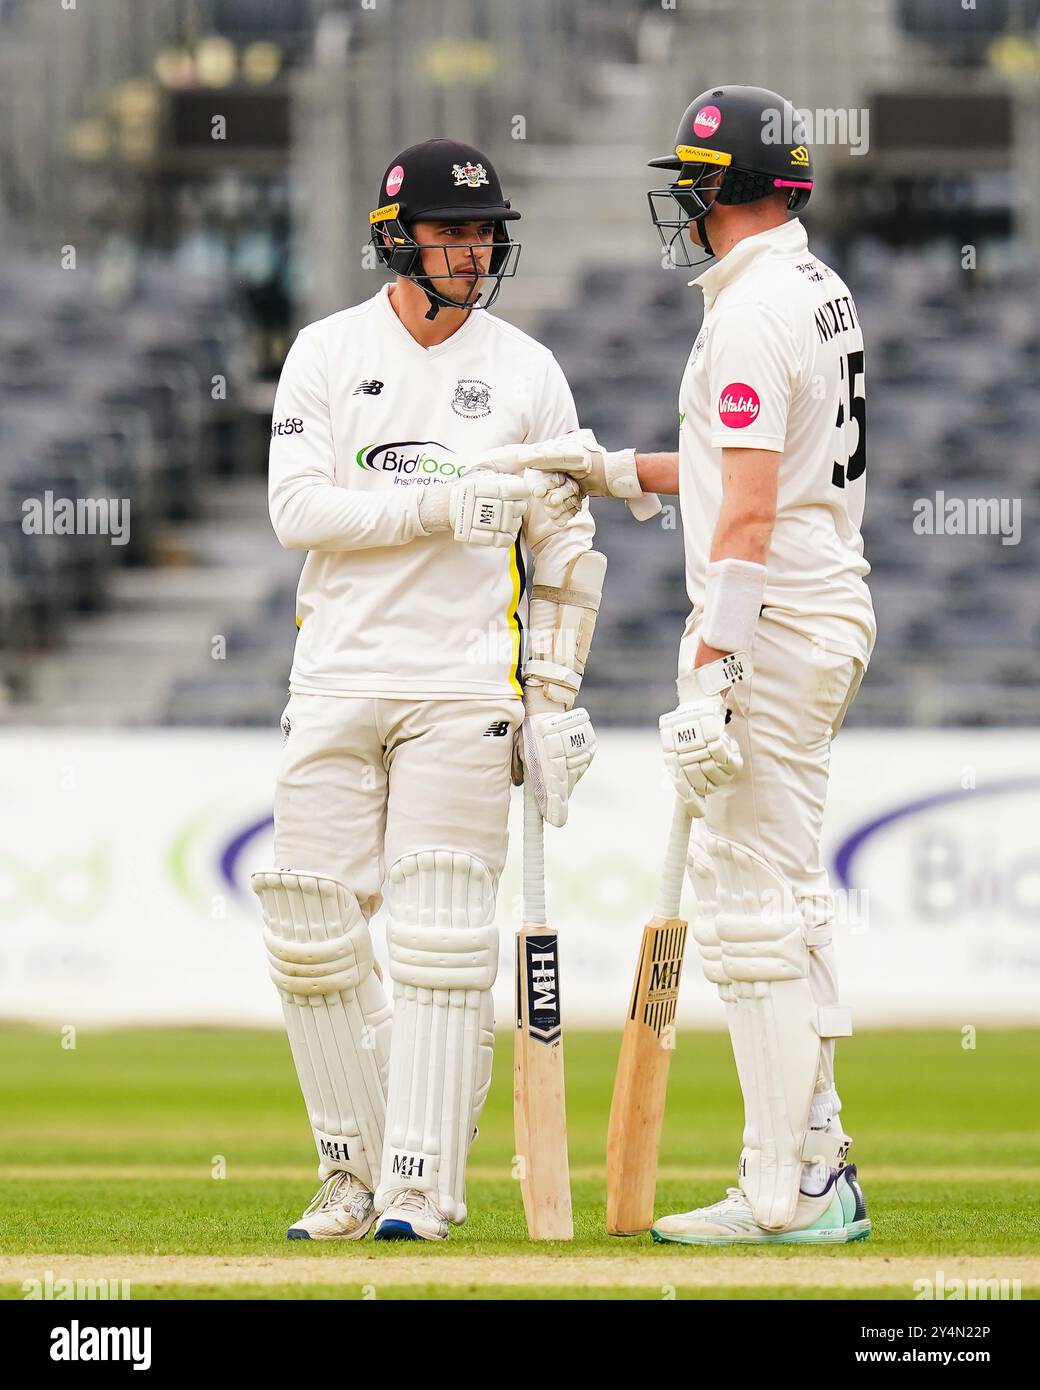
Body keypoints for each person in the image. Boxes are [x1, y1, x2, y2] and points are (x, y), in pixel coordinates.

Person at [511, 86, 877, 1244]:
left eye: (692, 179)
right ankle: (818, 1164)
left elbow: (752, 514)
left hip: (771, 626)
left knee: (754, 910)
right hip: (813, 614)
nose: (682, 198)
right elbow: (741, 466)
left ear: (722, 189)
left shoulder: (752, 313)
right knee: (773, 897)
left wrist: (716, 664)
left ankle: (788, 1194)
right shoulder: (811, 289)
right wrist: (618, 471)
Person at [251, 138, 604, 1243]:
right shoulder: (325, 350)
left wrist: (551, 693)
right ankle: (349, 1170)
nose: (471, 249)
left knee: (442, 934)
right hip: (337, 673)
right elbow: (296, 511)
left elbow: (569, 549)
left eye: (482, 232)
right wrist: (438, 507)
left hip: (464, 682)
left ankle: (418, 1182)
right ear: (396, 240)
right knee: (310, 927)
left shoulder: (526, 370)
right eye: (450, 233)